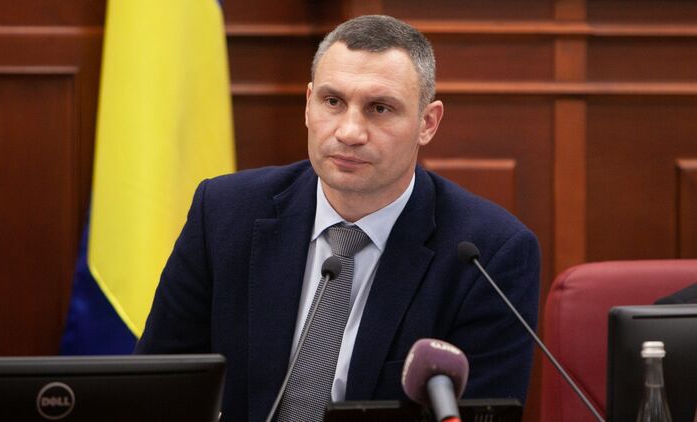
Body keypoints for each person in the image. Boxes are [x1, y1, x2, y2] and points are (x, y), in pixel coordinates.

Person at [136, 15, 540, 422]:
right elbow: (157, 390)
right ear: (308, 104)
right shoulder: (224, 214)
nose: (349, 132)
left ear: (427, 123)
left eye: (379, 108)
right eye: (333, 102)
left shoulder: (488, 255)